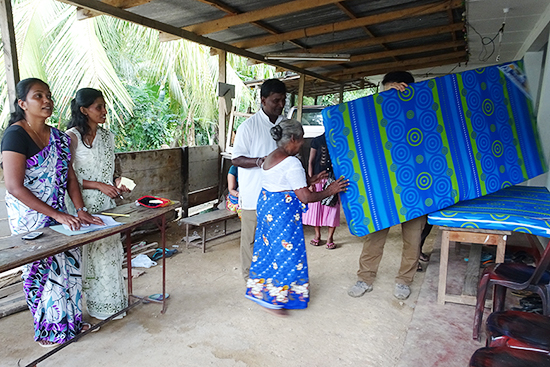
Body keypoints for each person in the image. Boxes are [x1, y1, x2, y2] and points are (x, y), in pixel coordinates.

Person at [1, 78, 104, 347]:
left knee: (70, 268)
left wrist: (79, 210)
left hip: (61, 216)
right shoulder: (15, 135)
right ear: (23, 103)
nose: (46, 100)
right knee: (44, 276)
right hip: (31, 221)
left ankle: (71, 322)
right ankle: (50, 331)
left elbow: (70, 177)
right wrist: (57, 215)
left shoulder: (59, 138)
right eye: (38, 96)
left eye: (48, 95)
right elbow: (14, 186)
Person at [245, 119, 348, 316]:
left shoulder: (271, 156)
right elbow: (306, 197)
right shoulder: (291, 162)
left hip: (268, 210)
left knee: (269, 253)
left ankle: (261, 292)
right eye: (301, 140)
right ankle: (276, 301)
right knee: (287, 255)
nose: (302, 144)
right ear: (293, 138)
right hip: (281, 215)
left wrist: (309, 180)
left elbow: (282, 181)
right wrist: (330, 190)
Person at [348, 71, 427, 301]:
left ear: (404, 88)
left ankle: (404, 281)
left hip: (415, 188)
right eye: (383, 93)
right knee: (374, 236)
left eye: (390, 92)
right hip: (383, 189)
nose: (384, 98)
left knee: (413, 239)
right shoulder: (375, 114)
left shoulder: (421, 112)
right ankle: (365, 278)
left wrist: (407, 101)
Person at [65, 88, 130, 320]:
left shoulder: (107, 136)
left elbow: (111, 171)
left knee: (110, 253)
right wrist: (98, 185)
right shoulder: (71, 137)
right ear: (84, 110)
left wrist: (116, 182)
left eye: (104, 106)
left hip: (107, 204)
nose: (104, 111)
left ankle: (114, 306)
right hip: (82, 206)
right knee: (90, 256)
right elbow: (67, 176)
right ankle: (94, 308)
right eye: (98, 107)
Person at [232, 79, 287, 280]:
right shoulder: (248, 127)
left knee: (276, 238)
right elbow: (236, 158)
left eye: (283, 100)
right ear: (263, 100)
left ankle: (273, 276)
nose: (281, 105)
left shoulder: (286, 126)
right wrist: (259, 161)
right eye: (276, 100)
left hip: (280, 195)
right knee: (251, 240)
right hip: (254, 194)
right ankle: (250, 278)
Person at [302, 133, 340, 249]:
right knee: (316, 209)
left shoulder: (339, 140)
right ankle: (317, 235)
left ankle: (330, 237)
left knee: (332, 208)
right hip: (317, 179)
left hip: (333, 180)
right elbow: (311, 162)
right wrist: (310, 182)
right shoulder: (317, 141)